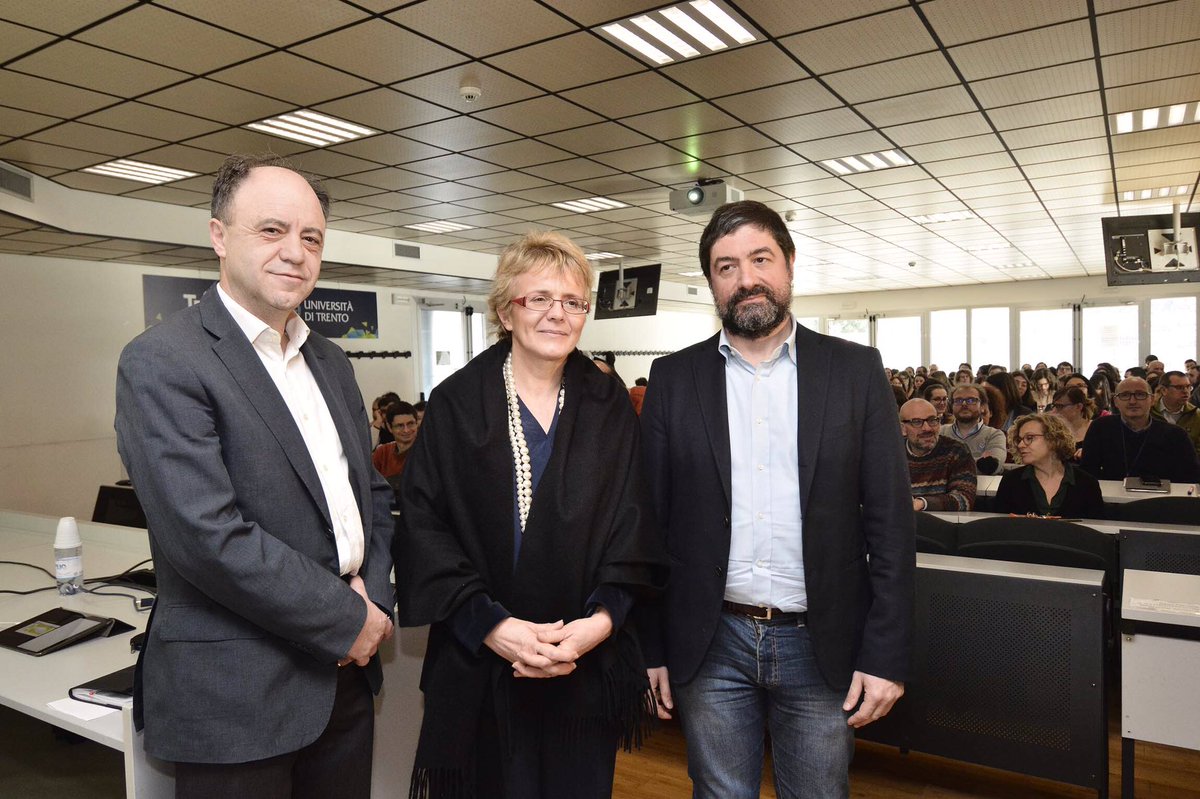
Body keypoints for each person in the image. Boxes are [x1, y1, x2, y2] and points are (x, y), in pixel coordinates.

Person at [114, 154, 395, 797]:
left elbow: (373, 498)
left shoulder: (330, 361)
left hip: (346, 683)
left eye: (311, 237)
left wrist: (374, 603)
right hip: (237, 698)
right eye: (272, 230)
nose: (295, 252)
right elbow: (206, 536)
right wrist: (347, 619)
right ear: (219, 236)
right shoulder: (164, 361)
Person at [639, 201, 914, 799]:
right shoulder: (674, 379)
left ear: (789, 264)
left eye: (760, 259)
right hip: (710, 642)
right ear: (711, 282)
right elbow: (649, 526)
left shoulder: (855, 371)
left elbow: (891, 526)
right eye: (726, 267)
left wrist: (886, 653)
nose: (746, 279)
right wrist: (650, 647)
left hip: (822, 642)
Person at [394, 231, 667, 799]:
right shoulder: (456, 403)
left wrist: (598, 625)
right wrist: (493, 628)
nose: (557, 314)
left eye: (572, 301)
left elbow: (634, 525)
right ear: (505, 311)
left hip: (584, 666)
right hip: (481, 663)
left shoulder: (608, 404)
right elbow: (423, 529)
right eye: (538, 298)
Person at [1079, 377, 1200, 483]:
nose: (1132, 401)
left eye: (1140, 395)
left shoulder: (1176, 435)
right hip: (1110, 498)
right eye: (1125, 395)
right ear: (1115, 401)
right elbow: (1088, 472)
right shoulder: (1100, 428)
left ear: (1152, 400)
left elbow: (1191, 476)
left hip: (1162, 499)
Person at [994, 414, 1105, 518]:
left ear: (1053, 439)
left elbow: (1097, 527)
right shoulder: (1011, 480)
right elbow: (1000, 526)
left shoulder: (1086, 483)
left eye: (1029, 438)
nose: (1020, 445)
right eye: (1019, 440)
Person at [900, 398, 976, 512]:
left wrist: (922, 503)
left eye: (932, 420)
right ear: (902, 429)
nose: (927, 428)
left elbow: (964, 499)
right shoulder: (891, 454)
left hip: (943, 522)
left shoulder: (956, 451)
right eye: (917, 422)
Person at [943, 384, 1007, 475]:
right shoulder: (940, 432)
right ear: (951, 406)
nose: (964, 404)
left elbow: (991, 466)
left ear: (982, 406)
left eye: (971, 400)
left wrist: (946, 465)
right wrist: (977, 462)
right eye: (958, 400)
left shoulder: (994, 435)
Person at [1151, 371, 1200, 457]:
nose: (1186, 391)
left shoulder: (1196, 415)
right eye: (1179, 387)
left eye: (1188, 387)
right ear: (1164, 390)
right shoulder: (1149, 412)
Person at [371, 401, 418, 489]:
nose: (406, 430)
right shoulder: (382, 452)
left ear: (417, 424)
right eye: (400, 426)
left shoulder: (427, 453)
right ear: (389, 427)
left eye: (410, 424)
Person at [1048, 385, 1095, 459]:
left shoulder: (1096, 428)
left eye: (1060, 406)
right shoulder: (1052, 431)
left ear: (1078, 407)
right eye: (1053, 406)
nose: (1053, 411)